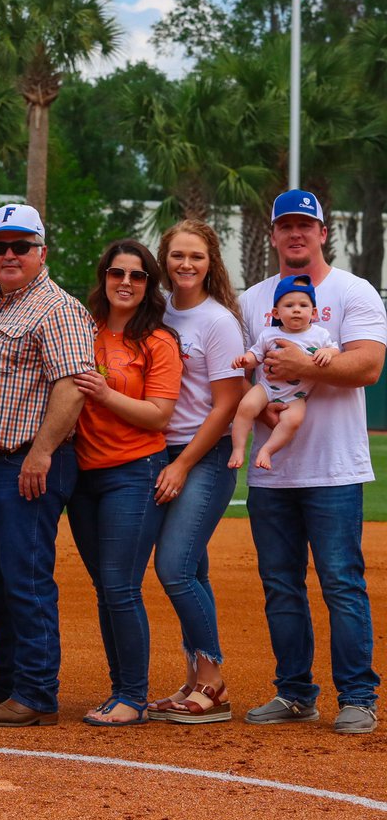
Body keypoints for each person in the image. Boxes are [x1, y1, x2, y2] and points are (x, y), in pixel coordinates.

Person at [239, 188, 385, 735]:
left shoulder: (353, 290)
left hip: (334, 467)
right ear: (274, 234)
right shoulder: (254, 298)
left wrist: (306, 364)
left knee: (341, 581)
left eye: (306, 225)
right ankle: (295, 693)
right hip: (272, 469)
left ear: (323, 232)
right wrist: (260, 414)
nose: (296, 234)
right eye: (286, 226)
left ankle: (358, 696)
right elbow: (244, 374)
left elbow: (368, 367)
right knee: (280, 584)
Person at [0, 202, 95, 728]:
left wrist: (42, 451)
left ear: (41, 252)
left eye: (20, 246)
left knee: (25, 578)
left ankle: (36, 692)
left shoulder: (58, 307)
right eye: (0, 246)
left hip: (30, 462)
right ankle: (5, 681)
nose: (9, 255)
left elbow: (72, 386)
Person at [68, 239, 181, 727]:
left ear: (149, 285)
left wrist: (105, 392)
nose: (126, 283)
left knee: (121, 586)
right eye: (117, 273)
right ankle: (121, 690)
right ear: (104, 278)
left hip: (133, 472)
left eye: (137, 276)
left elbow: (159, 415)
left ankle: (133, 696)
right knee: (104, 586)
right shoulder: (84, 329)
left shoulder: (157, 341)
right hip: (83, 475)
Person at [147, 220, 245, 724]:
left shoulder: (218, 321)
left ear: (211, 264)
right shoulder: (157, 310)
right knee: (194, 569)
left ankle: (212, 678)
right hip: (159, 452)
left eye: (197, 257)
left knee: (175, 567)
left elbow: (227, 404)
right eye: (178, 256)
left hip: (202, 455)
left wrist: (183, 464)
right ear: (165, 259)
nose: (187, 265)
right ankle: (195, 677)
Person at [229, 275, 337, 470]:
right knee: (246, 406)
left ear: (313, 312)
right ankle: (238, 449)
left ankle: (267, 450)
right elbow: (256, 354)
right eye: (289, 305)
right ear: (276, 313)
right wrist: (246, 360)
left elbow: (334, 350)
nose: (296, 309)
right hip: (266, 388)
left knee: (293, 421)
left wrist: (327, 353)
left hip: (296, 396)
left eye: (303, 305)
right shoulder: (269, 334)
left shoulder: (320, 335)